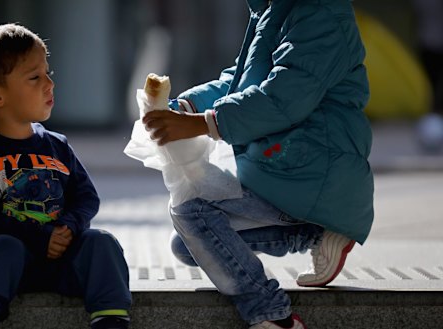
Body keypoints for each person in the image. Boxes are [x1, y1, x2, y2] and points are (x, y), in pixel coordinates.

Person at [142, 0, 374, 328]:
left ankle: (272, 314)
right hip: (284, 166)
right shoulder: (272, 9)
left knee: (191, 209)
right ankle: (313, 231)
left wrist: (202, 124)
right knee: (188, 244)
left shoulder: (321, 15)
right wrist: (189, 104)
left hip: (314, 171)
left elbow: (281, 97)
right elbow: (240, 81)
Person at [0, 23, 131, 329]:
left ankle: (111, 317)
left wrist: (70, 227)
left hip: (63, 260)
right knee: (2, 247)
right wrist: (37, 236)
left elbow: (86, 197)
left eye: (48, 73)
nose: (49, 83)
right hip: (9, 267)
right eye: (35, 77)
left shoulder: (56, 145)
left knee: (102, 242)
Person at [412, 0, 443, 153]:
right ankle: (432, 117)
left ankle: (433, 120)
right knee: (430, 87)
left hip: (429, 41)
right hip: (429, 43)